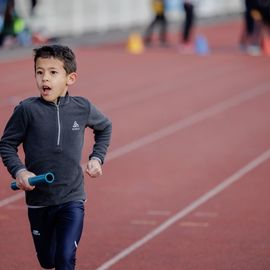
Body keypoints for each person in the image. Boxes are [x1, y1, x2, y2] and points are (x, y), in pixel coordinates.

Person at [0, 45, 112, 270]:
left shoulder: (82, 107)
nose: (45, 79)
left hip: (72, 198)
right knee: (48, 261)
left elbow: (105, 127)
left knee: (64, 258)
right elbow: (7, 144)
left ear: (70, 78)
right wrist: (20, 171)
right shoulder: (27, 110)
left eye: (53, 72)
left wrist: (97, 158)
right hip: (39, 201)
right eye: (39, 72)